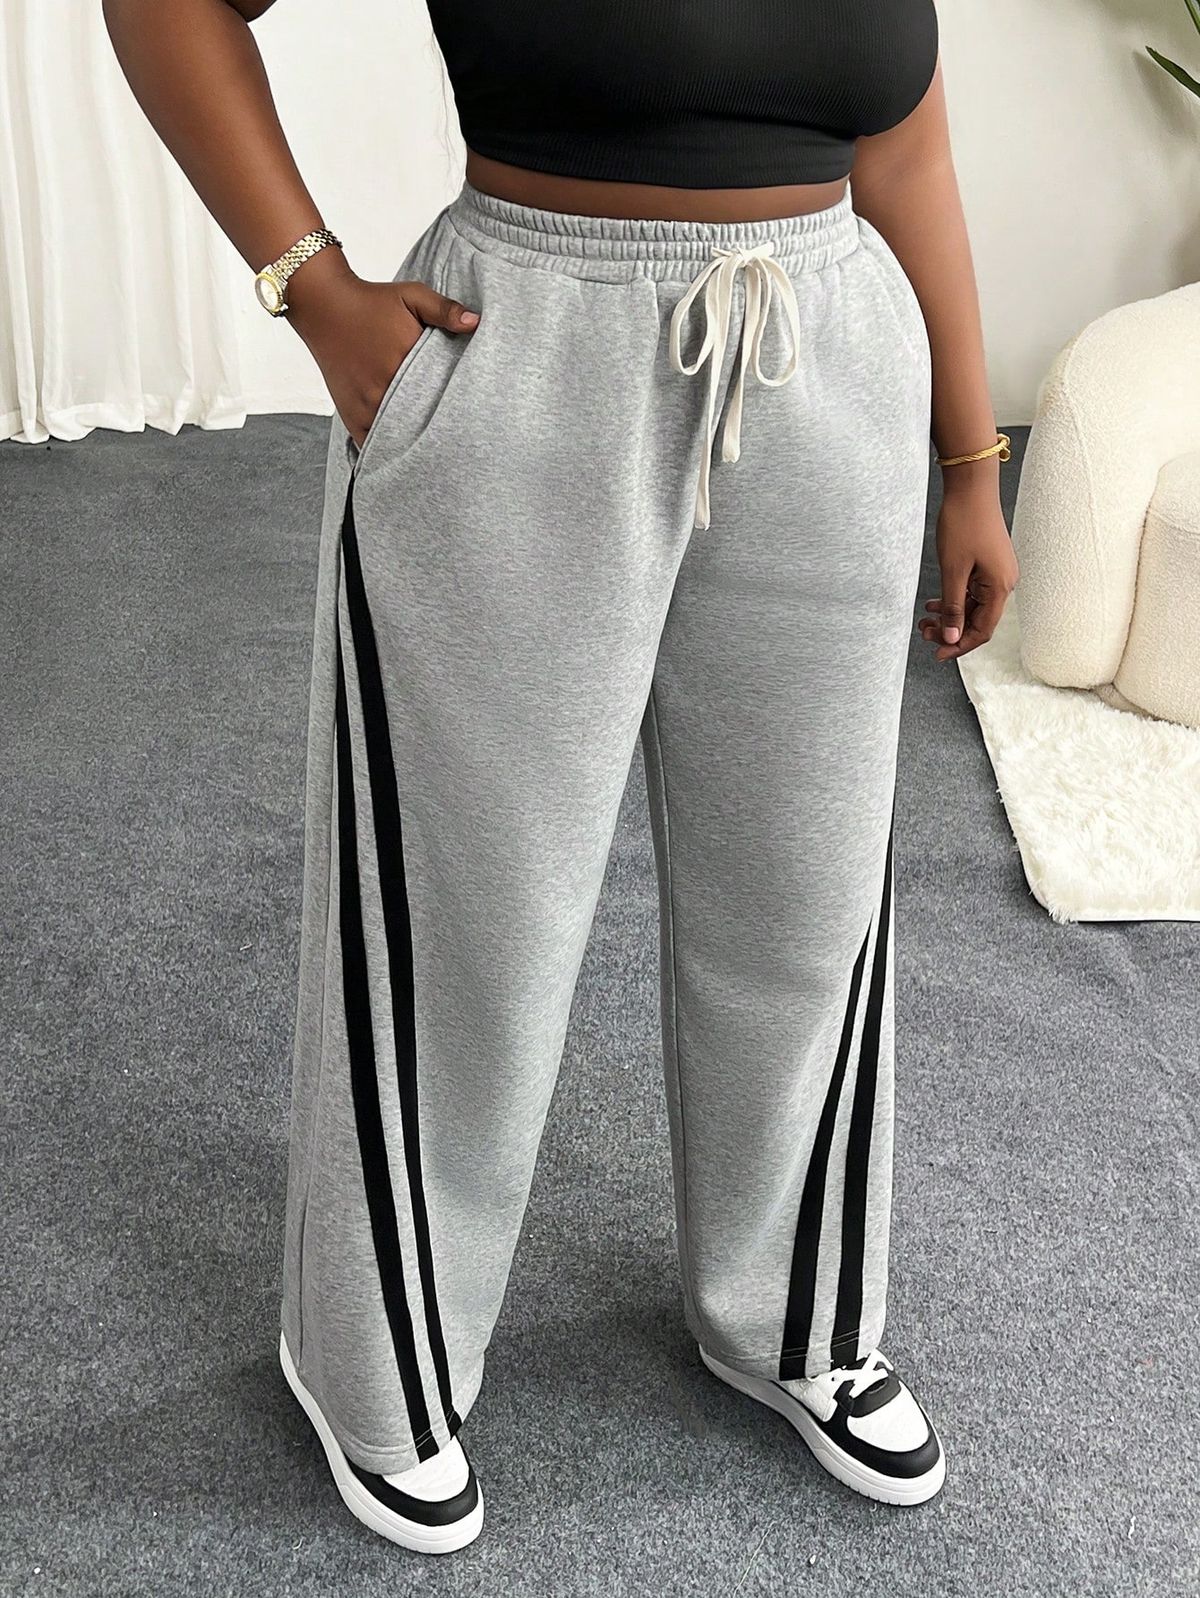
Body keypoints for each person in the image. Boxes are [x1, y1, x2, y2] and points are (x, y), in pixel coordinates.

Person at [105, 0, 1018, 1557]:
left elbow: (906, 144)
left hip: (831, 358)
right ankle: (374, 1363)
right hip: (528, 350)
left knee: (805, 896)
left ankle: (794, 1316)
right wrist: (313, 289)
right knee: (472, 903)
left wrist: (970, 462)